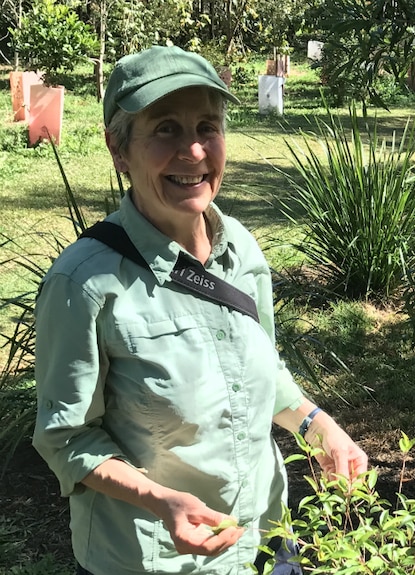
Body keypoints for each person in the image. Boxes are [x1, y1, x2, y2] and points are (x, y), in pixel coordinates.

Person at [32, 45, 368, 575]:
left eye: (206, 126)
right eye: (165, 128)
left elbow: (261, 370)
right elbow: (66, 437)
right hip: (151, 558)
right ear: (119, 150)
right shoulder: (85, 284)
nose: (192, 151)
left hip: (264, 540)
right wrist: (160, 501)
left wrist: (320, 426)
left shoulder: (242, 249)